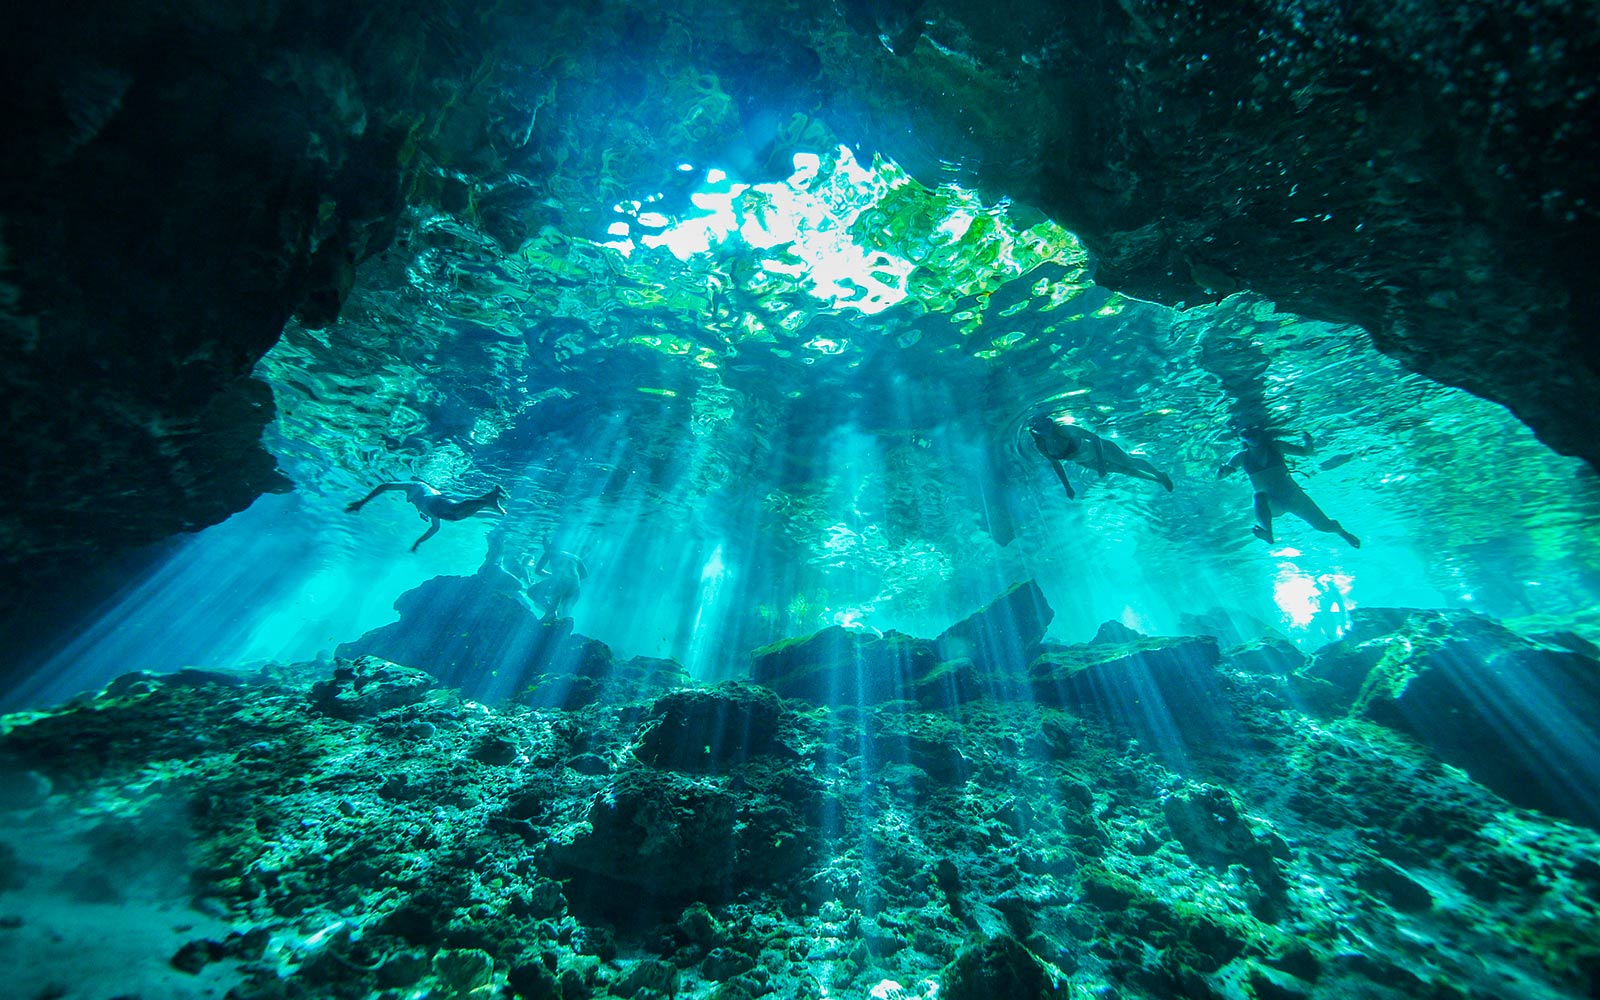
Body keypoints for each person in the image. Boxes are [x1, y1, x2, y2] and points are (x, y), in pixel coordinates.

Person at [1219, 428, 1359, 548]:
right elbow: (1220, 476)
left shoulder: (1276, 446)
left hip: (1294, 497)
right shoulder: (1241, 457)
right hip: (1272, 503)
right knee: (1259, 496)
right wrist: (1222, 470)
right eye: (1247, 434)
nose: (1252, 437)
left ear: (1261, 434)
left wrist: (1308, 441)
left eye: (1254, 433)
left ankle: (1342, 532)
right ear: (1243, 438)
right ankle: (1268, 533)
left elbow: (1305, 452)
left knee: (1324, 526)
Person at [1028, 414, 1174, 500]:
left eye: (1046, 425)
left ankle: (1159, 474)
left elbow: (1095, 438)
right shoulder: (1042, 445)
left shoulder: (1065, 430)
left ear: (1050, 423)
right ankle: (1158, 479)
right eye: (1040, 428)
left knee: (1130, 463)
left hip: (1104, 450)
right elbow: (1056, 464)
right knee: (1125, 471)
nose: (1046, 430)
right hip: (1086, 461)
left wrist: (1101, 463)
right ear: (1036, 431)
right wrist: (1067, 486)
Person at [346, 480, 506, 552]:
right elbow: (435, 528)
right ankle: (489, 499)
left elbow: (385, 486)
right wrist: (418, 542)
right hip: (435, 509)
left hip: (435, 502)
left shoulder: (416, 485)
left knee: (456, 509)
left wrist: (362, 502)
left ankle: (489, 499)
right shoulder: (419, 502)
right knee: (459, 516)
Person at [525, 536, 587, 622]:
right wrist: (572, 581)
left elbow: (538, 571)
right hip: (575, 586)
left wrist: (552, 576)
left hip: (558, 583)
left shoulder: (549, 553)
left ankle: (550, 611)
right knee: (565, 608)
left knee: (532, 592)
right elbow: (584, 575)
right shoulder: (575, 557)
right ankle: (559, 619)